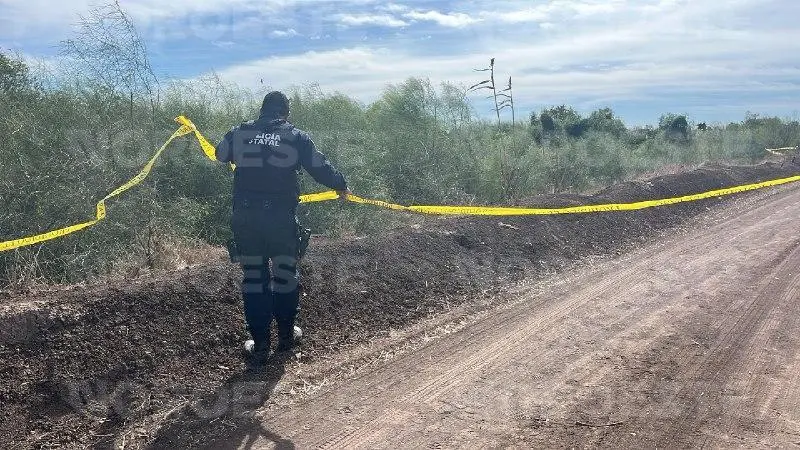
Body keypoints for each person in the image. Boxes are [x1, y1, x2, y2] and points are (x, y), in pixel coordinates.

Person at [215, 91, 350, 365]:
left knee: (255, 278)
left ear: (261, 110)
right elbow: (320, 167)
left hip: (247, 220)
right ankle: (287, 337)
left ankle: (261, 344)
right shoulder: (295, 136)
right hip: (280, 220)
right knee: (285, 274)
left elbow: (219, 154)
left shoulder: (240, 132)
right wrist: (341, 185)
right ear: (285, 113)